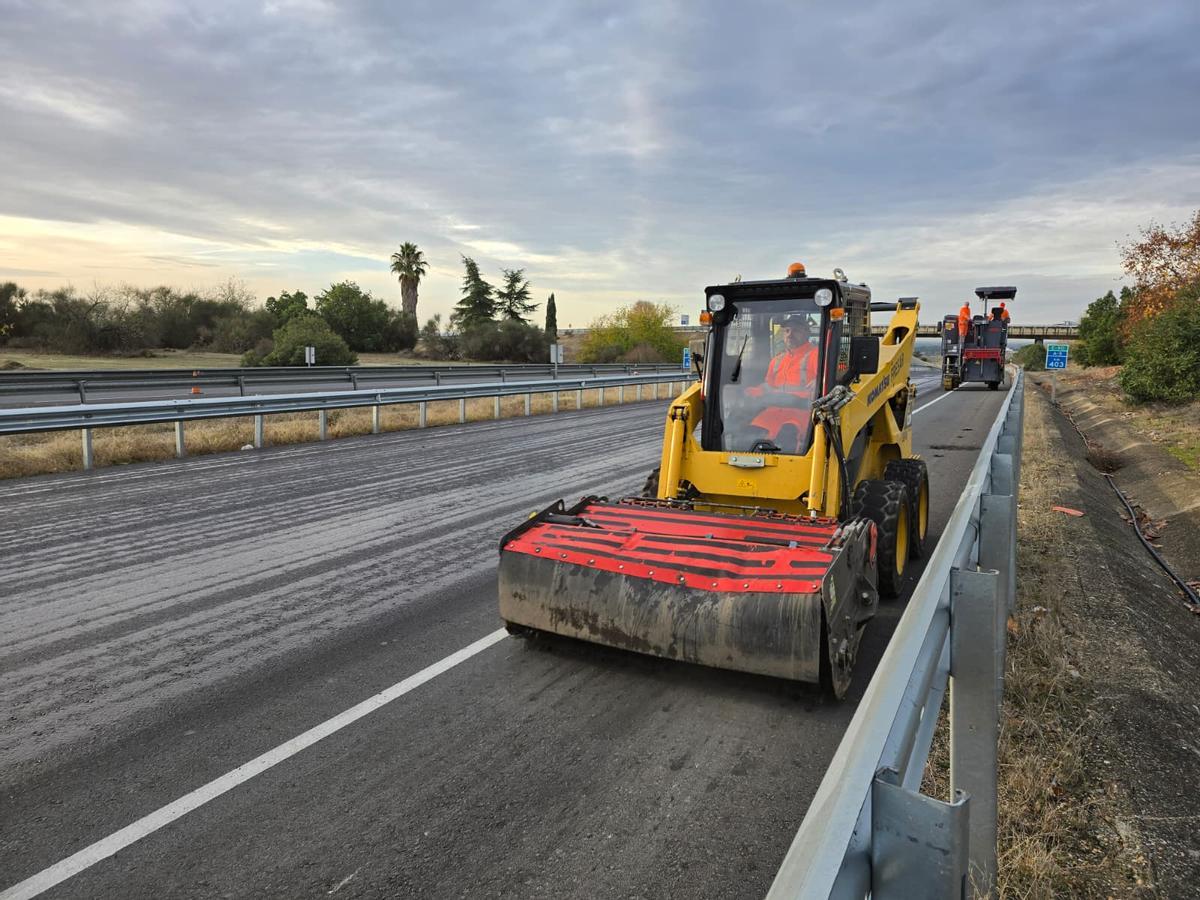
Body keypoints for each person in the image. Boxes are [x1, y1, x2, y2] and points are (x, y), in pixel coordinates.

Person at [742, 314, 820, 451]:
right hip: (774, 411)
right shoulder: (777, 360)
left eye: (796, 330)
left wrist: (818, 381)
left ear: (806, 332)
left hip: (801, 412)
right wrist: (749, 392)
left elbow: (827, 379)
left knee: (786, 439)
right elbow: (768, 386)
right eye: (787, 331)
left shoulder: (816, 355)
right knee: (749, 434)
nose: (790, 335)